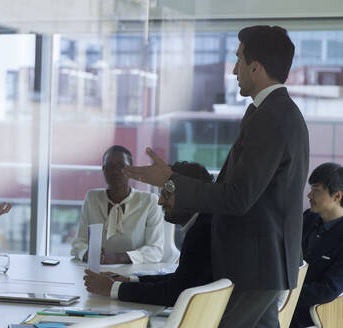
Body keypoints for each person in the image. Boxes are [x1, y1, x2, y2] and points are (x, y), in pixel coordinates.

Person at [123, 25, 308, 328]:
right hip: (262, 265)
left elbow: (238, 197)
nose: (234, 70)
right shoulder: (276, 113)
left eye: (238, 60)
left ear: (256, 67)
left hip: (256, 267)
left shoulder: (271, 118)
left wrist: (171, 179)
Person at [84, 161, 214, 307]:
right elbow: (180, 280)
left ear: (190, 194)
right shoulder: (204, 225)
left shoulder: (202, 233)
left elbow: (173, 293)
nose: (160, 201)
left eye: (166, 193)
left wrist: (112, 288)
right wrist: (128, 280)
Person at [70, 145, 164, 265]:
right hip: (99, 270)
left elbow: (155, 250)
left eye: (121, 166)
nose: (114, 172)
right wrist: (87, 253)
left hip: (135, 275)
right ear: (103, 170)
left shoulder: (149, 201)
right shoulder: (92, 198)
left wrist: (118, 257)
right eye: (109, 166)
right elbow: (79, 242)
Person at [290, 163, 343, 328]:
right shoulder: (308, 218)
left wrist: (288, 294)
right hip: (285, 308)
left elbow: (329, 289)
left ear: (337, 196)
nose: (309, 195)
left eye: (316, 190)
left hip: (312, 317)